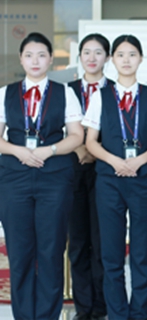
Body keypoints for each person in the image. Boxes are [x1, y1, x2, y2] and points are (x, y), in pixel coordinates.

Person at [83, 34, 147, 319]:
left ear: (141, 59)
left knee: (143, 253)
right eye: (120, 55)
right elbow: (91, 141)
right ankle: (118, 313)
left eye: (132, 54)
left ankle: (139, 312)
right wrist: (115, 161)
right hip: (110, 181)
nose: (126, 60)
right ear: (112, 59)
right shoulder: (100, 96)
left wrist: (138, 161)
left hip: (145, 180)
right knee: (111, 254)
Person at [0, 32, 84, 319]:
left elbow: (76, 136)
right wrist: (18, 151)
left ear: (50, 59)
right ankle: (24, 316)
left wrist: (50, 150)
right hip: (15, 177)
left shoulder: (65, 93)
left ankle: (48, 315)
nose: (35, 61)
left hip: (54, 177)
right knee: (19, 252)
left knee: (51, 250)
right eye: (29, 55)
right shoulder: (5, 93)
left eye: (41, 55)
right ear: (21, 59)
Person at [68, 33, 114, 320]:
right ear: (80, 57)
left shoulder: (116, 90)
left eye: (98, 52)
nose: (92, 57)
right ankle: (83, 307)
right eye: (87, 52)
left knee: (103, 242)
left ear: (107, 57)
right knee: (77, 241)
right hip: (72, 171)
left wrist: (93, 150)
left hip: (105, 171)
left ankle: (102, 305)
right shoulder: (67, 91)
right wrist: (79, 148)